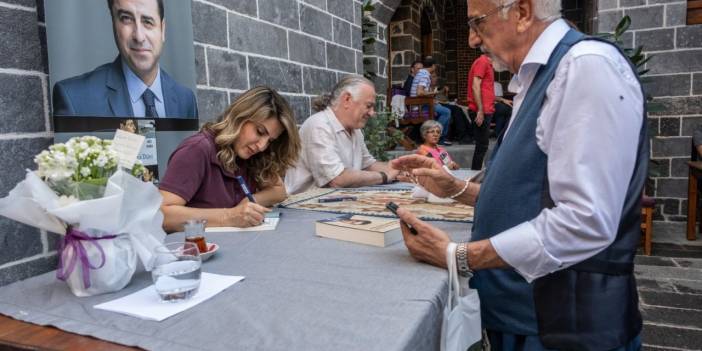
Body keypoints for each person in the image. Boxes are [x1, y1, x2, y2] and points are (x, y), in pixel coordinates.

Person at [391, 0, 646, 350]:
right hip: (525, 316)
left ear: (523, 12)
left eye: (477, 23)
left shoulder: (585, 67)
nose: (471, 40)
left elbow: (585, 219)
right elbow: (533, 195)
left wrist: (457, 255)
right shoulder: (537, 77)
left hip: (563, 328)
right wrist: (456, 188)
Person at [159, 86, 300, 232]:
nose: (262, 146)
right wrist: (229, 216)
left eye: (270, 141)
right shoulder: (197, 150)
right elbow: (162, 215)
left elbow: (278, 191)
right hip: (197, 249)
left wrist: (248, 202)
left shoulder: (252, 155)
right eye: (259, 131)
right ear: (240, 116)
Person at [52, 0, 198, 118]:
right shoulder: (74, 100)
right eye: (126, 19)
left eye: (147, 21)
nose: (139, 37)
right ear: (113, 24)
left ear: (163, 29)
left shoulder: (186, 100)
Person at [284, 76, 399, 195]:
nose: (372, 113)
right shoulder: (319, 126)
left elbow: (368, 165)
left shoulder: (355, 130)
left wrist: (398, 169)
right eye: (368, 106)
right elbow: (337, 179)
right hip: (302, 207)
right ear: (347, 99)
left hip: (335, 203)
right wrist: (384, 176)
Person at [410, 57, 453, 146]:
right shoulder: (424, 75)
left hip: (421, 103)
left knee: (442, 109)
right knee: (446, 112)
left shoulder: (421, 73)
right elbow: (419, 92)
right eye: (435, 66)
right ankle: (438, 137)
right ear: (433, 66)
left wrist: (432, 97)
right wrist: (433, 92)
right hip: (419, 105)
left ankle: (439, 138)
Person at [467, 53, 496, 170]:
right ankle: (475, 173)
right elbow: (475, 86)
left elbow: (485, 89)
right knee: (482, 146)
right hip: (481, 110)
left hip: (486, 109)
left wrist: (500, 99)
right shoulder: (482, 62)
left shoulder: (487, 64)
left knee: (482, 145)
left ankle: (477, 172)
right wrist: (480, 110)